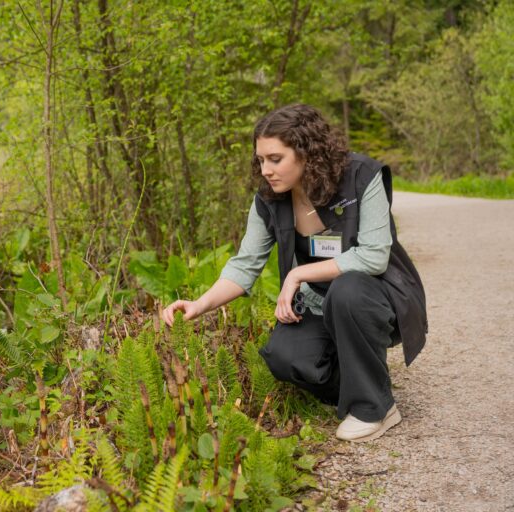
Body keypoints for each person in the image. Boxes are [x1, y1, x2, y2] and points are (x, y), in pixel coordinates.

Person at [162, 104, 427, 442]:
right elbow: (245, 265)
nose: (265, 170)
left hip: (376, 295)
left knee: (347, 290)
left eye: (275, 159)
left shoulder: (362, 175)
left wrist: (297, 275)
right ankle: (360, 381)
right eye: (260, 160)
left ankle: (374, 407)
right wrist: (199, 305)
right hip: (318, 302)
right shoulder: (268, 200)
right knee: (286, 358)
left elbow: (375, 257)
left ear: (306, 153)